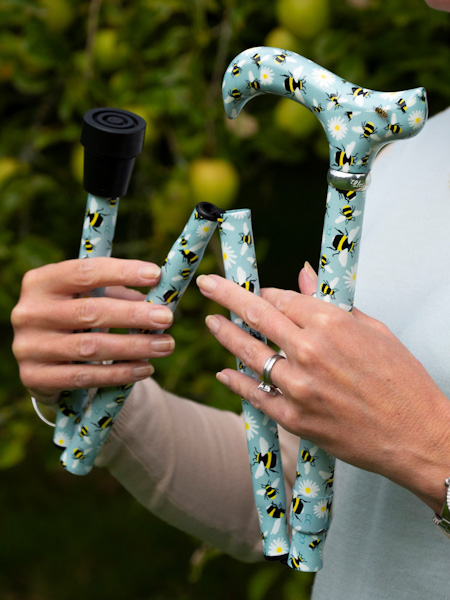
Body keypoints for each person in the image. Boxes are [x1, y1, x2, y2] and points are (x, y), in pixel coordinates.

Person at [11, 1, 450, 597]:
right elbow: (310, 499)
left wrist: (430, 448)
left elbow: (408, 446)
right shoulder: (403, 159)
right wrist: (102, 385)